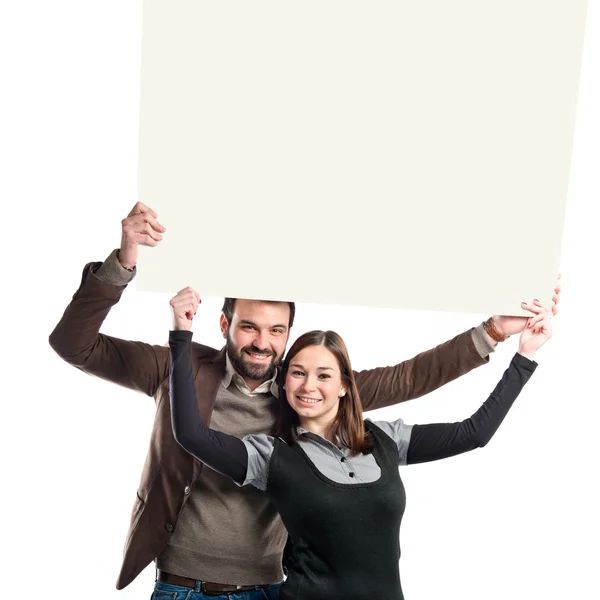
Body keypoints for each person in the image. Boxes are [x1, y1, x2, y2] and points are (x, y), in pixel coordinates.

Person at [48, 202, 561, 598]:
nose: (261, 341)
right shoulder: (176, 368)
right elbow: (74, 345)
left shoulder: (310, 393)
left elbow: (411, 377)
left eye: (276, 331)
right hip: (184, 584)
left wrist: (494, 331)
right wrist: (125, 261)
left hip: (274, 585)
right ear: (225, 324)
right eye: (248, 325)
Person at [168, 290, 553, 600]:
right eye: (298, 373)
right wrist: (181, 335)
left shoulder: (385, 439)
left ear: (344, 386)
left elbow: (474, 433)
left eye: (324, 375)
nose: (308, 386)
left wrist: (525, 355)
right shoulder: (271, 456)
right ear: (283, 384)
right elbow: (191, 434)